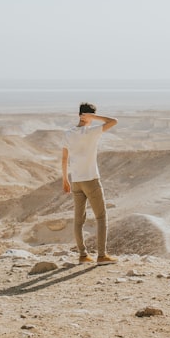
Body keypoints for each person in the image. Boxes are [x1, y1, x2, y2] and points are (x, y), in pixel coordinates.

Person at [62, 102, 118, 264]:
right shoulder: (92, 132)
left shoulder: (68, 133)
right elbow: (113, 121)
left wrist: (65, 179)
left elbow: (64, 158)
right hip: (91, 179)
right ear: (89, 116)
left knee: (78, 220)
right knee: (101, 217)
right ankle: (102, 255)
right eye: (92, 116)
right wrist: (95, 117)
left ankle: (83, 255)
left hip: (76, 181)